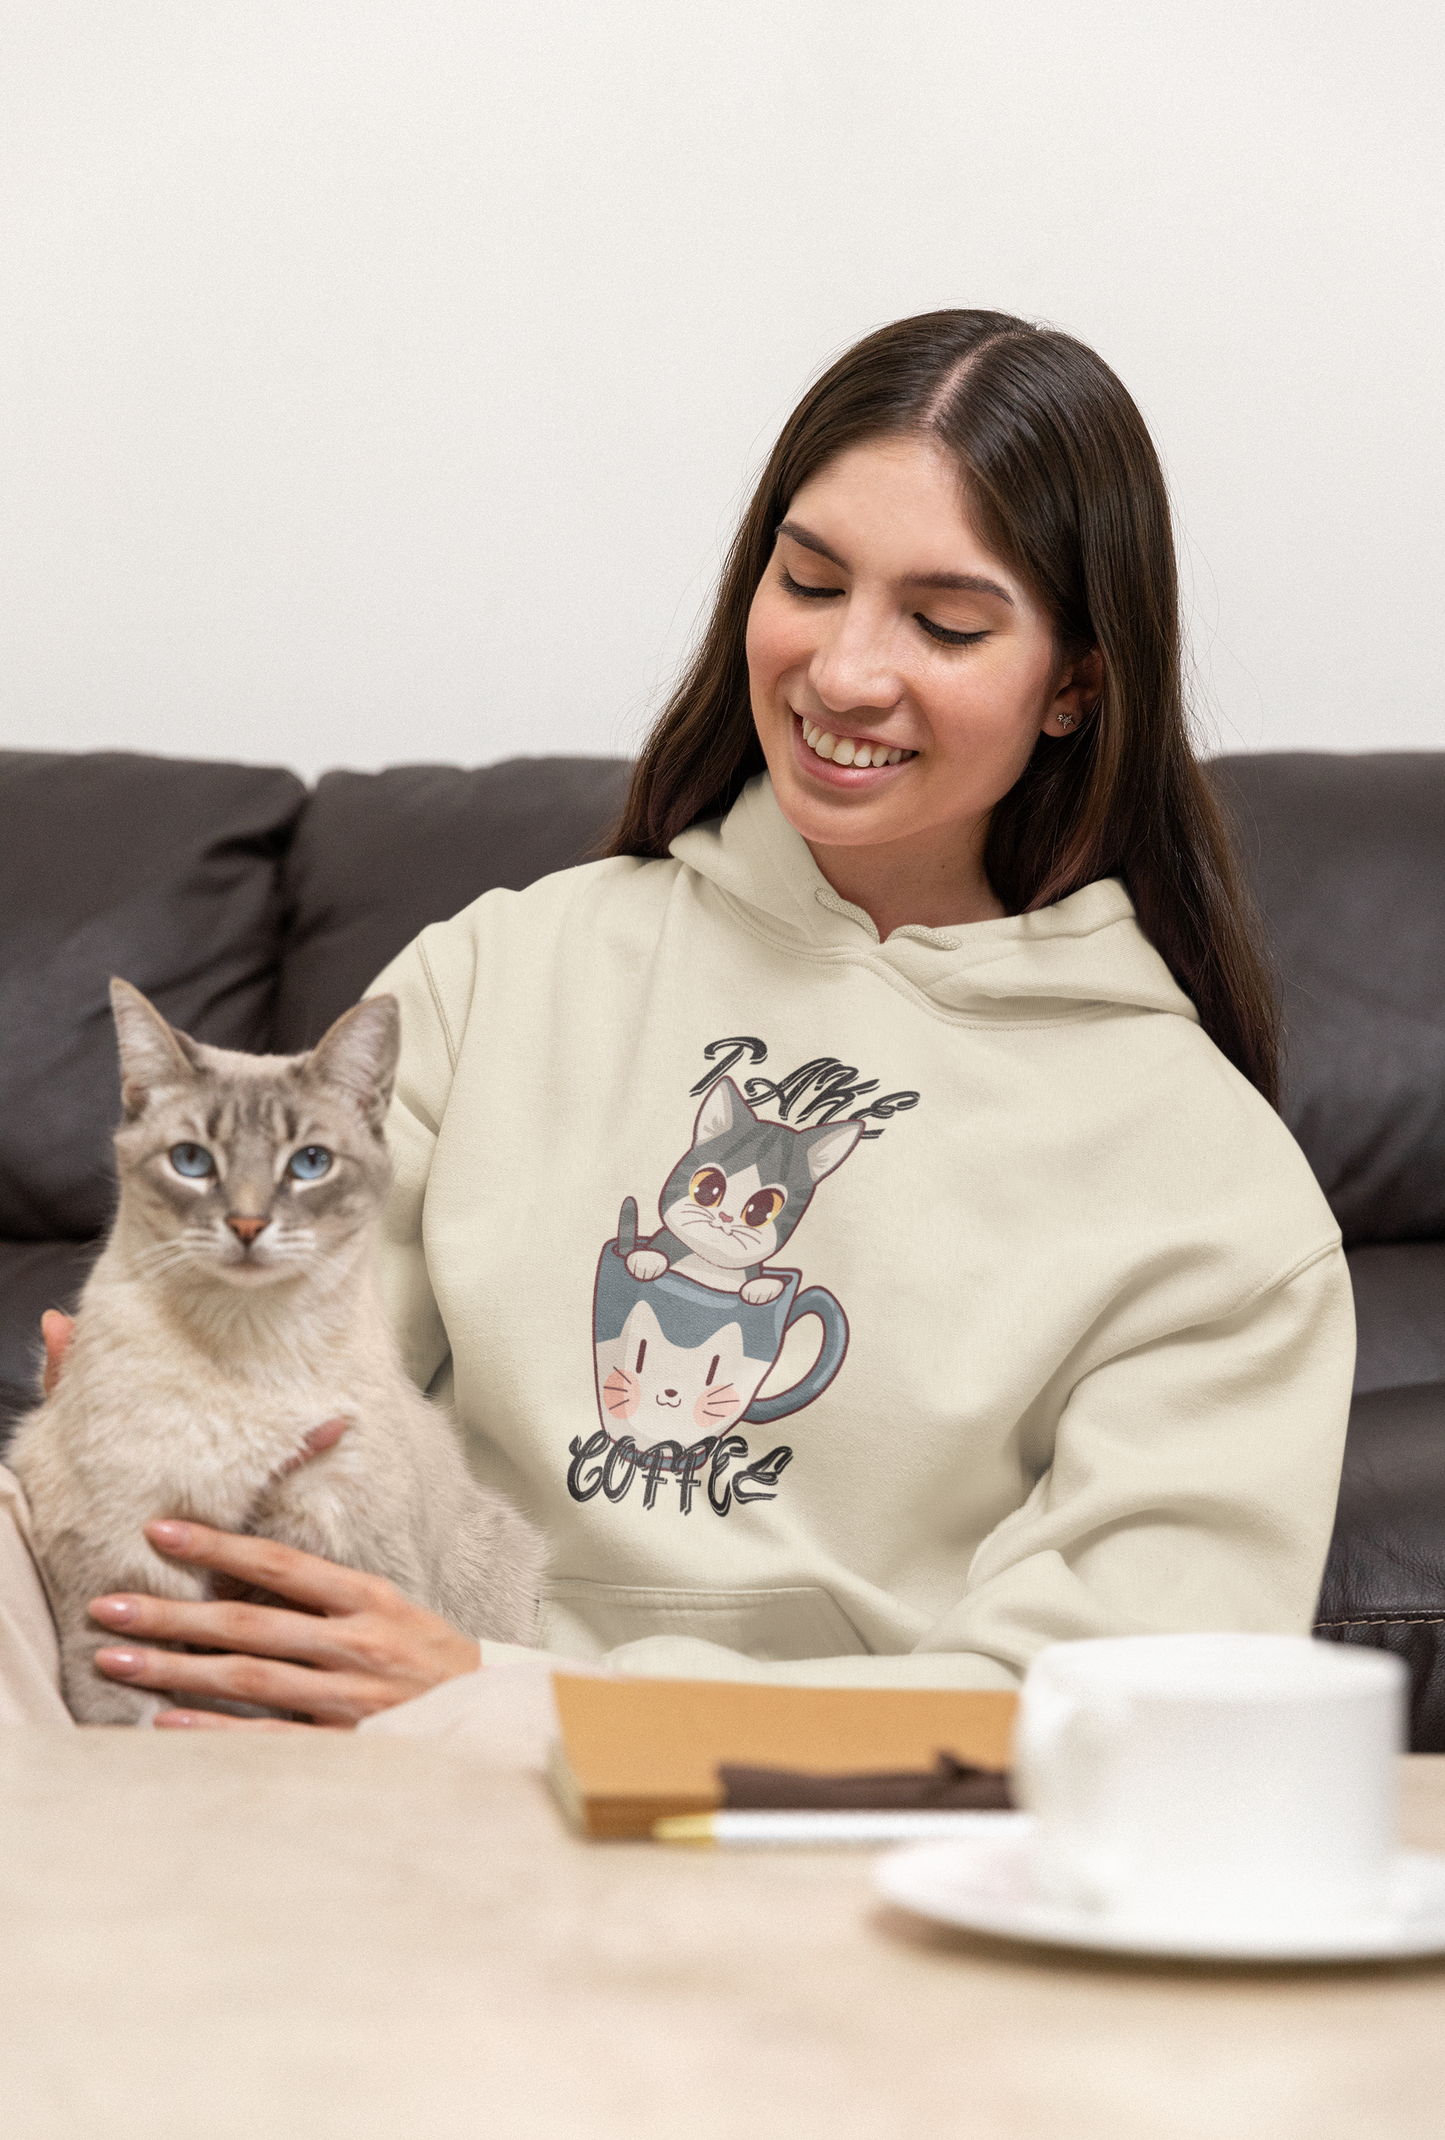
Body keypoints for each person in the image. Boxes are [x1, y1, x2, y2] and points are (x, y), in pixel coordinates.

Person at [3, 308, 1354, 1729]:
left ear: (1076, 683)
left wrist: (508, 1704)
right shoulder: (498, 971)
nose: (845, 673)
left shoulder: (1212, 1185)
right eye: (810, 582)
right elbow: (282, 1443)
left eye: (945, 624)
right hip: (367, 1769)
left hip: (836, 1826)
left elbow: (1117, 1708)